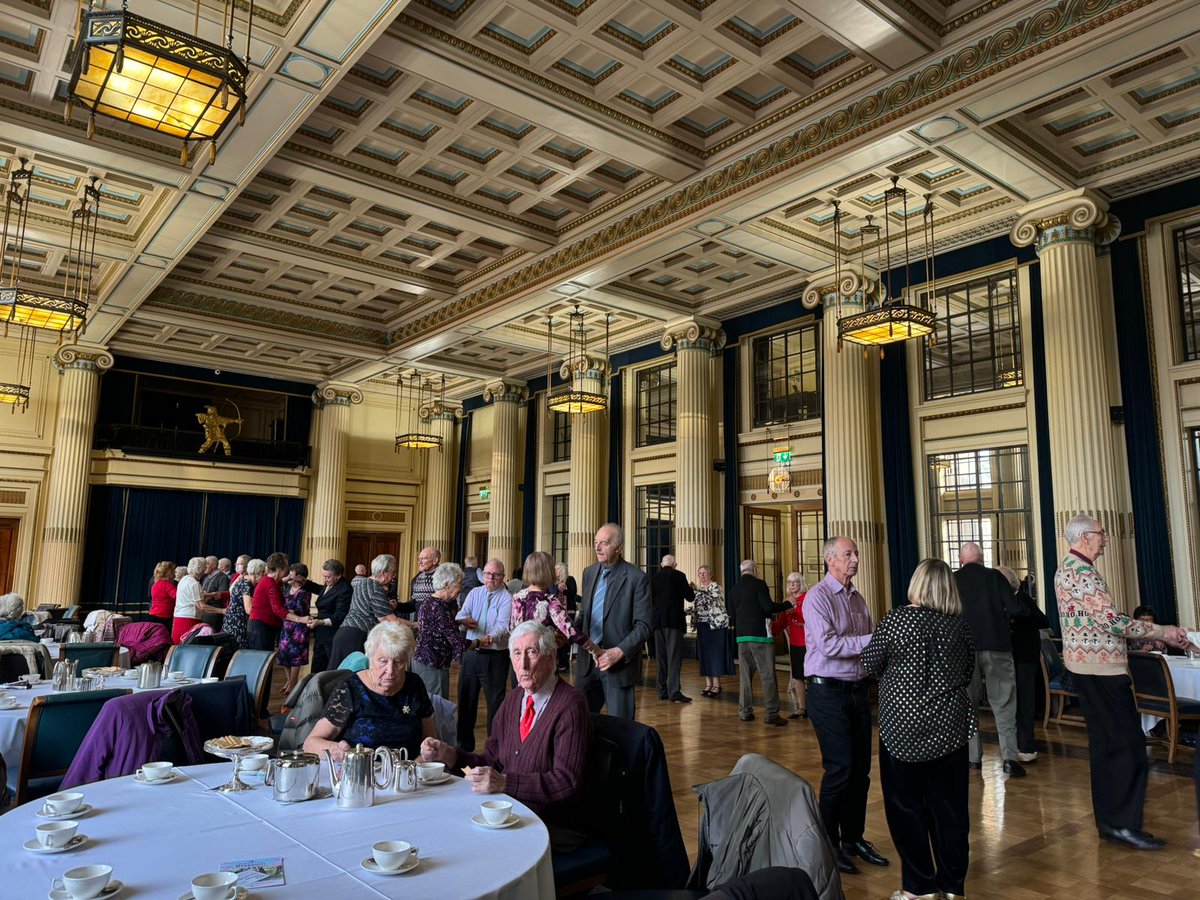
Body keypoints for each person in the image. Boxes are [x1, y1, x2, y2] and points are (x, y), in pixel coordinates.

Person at [1055, 514, 1190, 850]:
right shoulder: (1082, 572)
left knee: (1106, 749)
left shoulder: (1065, 568)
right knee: (1129, 748)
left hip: (1086, 670)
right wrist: (1164, 632)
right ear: (1085, 537)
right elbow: (1113, 623)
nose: (1105, 541)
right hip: (1101, 672)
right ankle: (1123, 824)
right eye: (1102, 535)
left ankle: (1111, 824)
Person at [421, 621, 590, 852]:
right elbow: (490, 763)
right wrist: (450, 756)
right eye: (517, 654)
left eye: (532, 652)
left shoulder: (570, 704)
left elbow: (566, 782)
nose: (523, 663)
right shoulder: (514, 699)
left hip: (549, 824)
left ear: (551, 658)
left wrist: (505, 783)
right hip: (508, 812)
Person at [862, 559, 975, 900]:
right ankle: (953, 888)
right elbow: (968, 671)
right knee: (952, 812)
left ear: (917, 584)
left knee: (907, 810)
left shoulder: (897, 620)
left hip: (903, 731)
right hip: (950, 730)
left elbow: (869, 664)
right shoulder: (958, 625)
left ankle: (919, 888)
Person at [804, 535, 889, 874]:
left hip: (856, 691)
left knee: (861, 772)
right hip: (827, 694)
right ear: (831, 560)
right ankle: (828, 843)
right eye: (848, 554)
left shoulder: (858, 598)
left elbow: (863, 650)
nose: (855, 558)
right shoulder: (817, 597)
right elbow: (828, 645)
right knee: (839, 769)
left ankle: (853, 839)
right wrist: (878, 638)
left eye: (856, 552)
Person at [304, 621, 435, 761]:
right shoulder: (350, 688)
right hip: (362, 775)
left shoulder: (414, 685)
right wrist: (337, 751)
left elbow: (429, 742)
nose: (390, 671)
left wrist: (417, 764)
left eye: (398, 662)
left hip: (407, 776)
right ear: (371, 658)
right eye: (383, 661)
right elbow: (310, 744)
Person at [953, 542, 1026, 777]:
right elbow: (1015, 609)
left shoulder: (952, 579)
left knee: (968, 704)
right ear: (982, 558)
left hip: (964, 650)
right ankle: (1009, 758)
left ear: (961, 559)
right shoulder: (995, 576)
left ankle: (974, 758)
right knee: (1004, 703)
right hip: (998, 647)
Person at [573, 523, 652, 720]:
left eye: (604, 543)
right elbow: (584, 615)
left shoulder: (636, 578)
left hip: (618, 668)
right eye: (595, 542)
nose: (597, 547)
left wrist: (619, 652)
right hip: (587, 665)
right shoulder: (589, 573)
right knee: (581, 727)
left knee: (621, 729)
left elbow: (644, 626)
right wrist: (565, 633)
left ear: (618, 547)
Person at [456, 559, 512, 751]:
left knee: (495, 704)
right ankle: (464, 747)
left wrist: (490, 637)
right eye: (488, 574)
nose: (491, 578)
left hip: (495, 656)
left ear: (502, 577)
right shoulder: (475, 592)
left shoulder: (506, 598)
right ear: (483, 575)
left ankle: (493, 749)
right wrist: (465, 620)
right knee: (466, 701)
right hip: (472, 654)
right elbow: (460, 614)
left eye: (495, 575)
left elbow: (504, 625)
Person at [729, 559, 792, 726]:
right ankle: (771, 713)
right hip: (760, 636)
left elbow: (731, 613)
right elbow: (768, 607)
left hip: (742, 637)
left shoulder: (734, 589)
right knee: (768, 676)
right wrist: (787, 604)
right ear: (755, 570)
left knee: (745, 676)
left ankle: (745, 711)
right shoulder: (759, 585)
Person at [1000, 567, 1048, 764]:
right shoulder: (1010, 600)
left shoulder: (1021, 599)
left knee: (1024, 703)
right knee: (1016, 702)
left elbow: (1043, 621)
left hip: (1025, 659)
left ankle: (1026, 746)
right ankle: (1017, 745)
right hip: (1015, 659)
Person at [510, 551, 597, 659]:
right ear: (548, 572)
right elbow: (571, 631)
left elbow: (512, 629)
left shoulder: (517, 597)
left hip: (519, 658)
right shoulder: (549, 600)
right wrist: (595, 649)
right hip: (541, 660)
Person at [331, 554, 402, 668]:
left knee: (338, 676)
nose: (394, 575)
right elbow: (387, 619)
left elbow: (367, 607)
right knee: (352, 677)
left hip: (344, 633)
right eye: (393, 572)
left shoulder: (363, 582)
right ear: (383, 572)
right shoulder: (375, 587)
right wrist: (415, 624)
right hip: (355, 636)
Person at [412, 562, 467, 699]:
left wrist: (459, 621)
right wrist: (480, 642)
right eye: (459, 583)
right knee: (436, 707)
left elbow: (438, 626)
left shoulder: (429, 602)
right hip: (433, 664)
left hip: (423, 660)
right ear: (447, 584)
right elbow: (456, 641)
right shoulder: (440, 607)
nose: (460, 588)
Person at [651, 554, 695, 703]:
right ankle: (674, 691)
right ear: (675, 565)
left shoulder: (654, 578)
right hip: (674, 622)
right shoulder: (679, 575)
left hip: (657, 622)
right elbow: (690, 597)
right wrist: (690, 587)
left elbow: (649, 599)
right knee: (674, 657)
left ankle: (661, 690)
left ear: (661, 564)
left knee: (661, 657)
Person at [301, 559, 353, 673]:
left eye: (328, 577)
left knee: (329, 668)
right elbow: (322, 591)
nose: (325, 579)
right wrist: (304, 582)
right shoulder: (331, 582)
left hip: (332, 635)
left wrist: (320, 622)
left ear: (338, 575)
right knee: (317, 666)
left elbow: (340, 615)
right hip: (321, 633)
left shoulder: (345, 589)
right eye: (324, 576)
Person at [772, 572, 808, 719]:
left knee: (812, 676)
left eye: (795, 582)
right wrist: (768, 629)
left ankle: (817, 707)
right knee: (798, 676)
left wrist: (794, 611)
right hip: (795, 643)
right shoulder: (787, 601)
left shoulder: (808, 598)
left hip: (809, 643)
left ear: (801, 583)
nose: (792, 585)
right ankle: (801, 708)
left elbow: (808, 619)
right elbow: (782, 622)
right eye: (789, 582)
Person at [693, 565, 733, 697]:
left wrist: (696, 589)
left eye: (704, 573)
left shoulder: (715, 586)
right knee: (704, 654)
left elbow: (711, 597)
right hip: (702, 625)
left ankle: (717, 685)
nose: (702, 575)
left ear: (710, 575)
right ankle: (708, 683)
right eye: (700, 573)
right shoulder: (698, 590)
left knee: (715, 654)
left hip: (715, 626)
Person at [277, 563, 316, 696]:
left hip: (299, 627)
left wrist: (285, 610)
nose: (289, 576)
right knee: (284, 655)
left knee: (295, 657)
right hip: (286, 625)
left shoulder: (304, 591)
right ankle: (289, 680)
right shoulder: (287, 589)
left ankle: (293, 685)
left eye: (291, 574)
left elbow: (299, 609)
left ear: (299, 576)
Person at [248, 552, 290, 652]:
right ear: (280, 569)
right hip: (261, 628)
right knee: (261, 663)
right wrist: (301, 619)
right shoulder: (270, 583)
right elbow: (278, 610)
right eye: (285, 568)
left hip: (263, 627)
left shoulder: (271, 581)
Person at [172, 556, 216, 644]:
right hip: (189, 620)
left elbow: (190, 596)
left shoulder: (184, 579)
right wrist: (222, 610)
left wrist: (207, 595)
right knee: (189, 647)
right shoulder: (194, 583)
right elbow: (202, 606)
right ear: (201, 569)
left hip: (179, 618)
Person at [223, 557, 260, 649]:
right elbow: (248, 609)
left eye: (239, 563)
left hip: (236, 616)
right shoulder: (242, 579)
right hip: (236, 617)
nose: (236, 565)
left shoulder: (246, 580)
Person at [555, 562, 578, 672]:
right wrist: (558, 588)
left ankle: (564, 662)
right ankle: (558, 662)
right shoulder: (554, 583)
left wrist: (565, 589)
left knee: (565, 636)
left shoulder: (570, 579)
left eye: (558, 569)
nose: (556, 571)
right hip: (556, 613)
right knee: (556, 636)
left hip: (568, 611)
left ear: (563, 570)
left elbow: (573, 592)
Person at [407, 547, 440, 620]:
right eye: (419, 559)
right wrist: (397, 605)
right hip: (419, 624)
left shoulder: (443, 577)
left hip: (437, 624)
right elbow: (414, 605)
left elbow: (451, 604)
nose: (419, 562)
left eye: (423, 559)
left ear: (435, 561)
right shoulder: (416, 579)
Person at [199, 556, 230, 629]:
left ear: (214, 565)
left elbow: (223, 596)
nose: (204, 567)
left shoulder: (223, 578)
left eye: (206, 564)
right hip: (204, 612)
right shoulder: (206, 577)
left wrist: (207, 595)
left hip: (214, 614)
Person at [148, 561, 176, 629]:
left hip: (153, 614)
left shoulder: (155, 584)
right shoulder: (168, 585)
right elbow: (177, 596)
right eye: (173, 572)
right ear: (168, 573)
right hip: (164, 616)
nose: (174, 574)